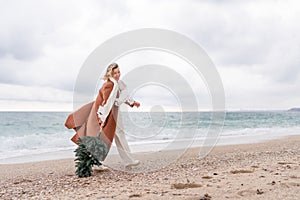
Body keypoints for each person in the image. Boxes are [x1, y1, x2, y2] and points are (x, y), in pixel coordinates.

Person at [65, 63, 140, 169]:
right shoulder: (109, 85)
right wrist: (102, 118)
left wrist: (132, 103)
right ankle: (101, 162)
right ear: (110, 74)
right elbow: (106, 102)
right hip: (105, 114)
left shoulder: (117, 84)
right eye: (115, 73)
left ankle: (126, 160)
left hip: (113, 113)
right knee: (103, 137)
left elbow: (119, 96)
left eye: (119, 72)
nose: (118, 75)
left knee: (116, 136)